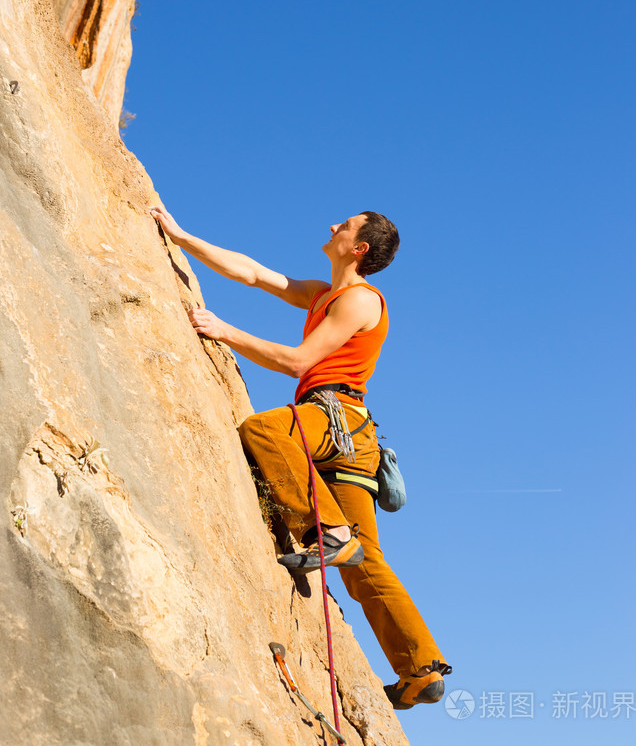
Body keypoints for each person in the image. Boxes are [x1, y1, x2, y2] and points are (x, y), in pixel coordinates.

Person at [150, 206, 452, 709]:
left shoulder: (359, 300)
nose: (333, 225)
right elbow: (253, 273)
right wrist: (182, 237)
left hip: (335, 418)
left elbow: (297, 361)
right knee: (363, 560)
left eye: (347, 225)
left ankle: (327, 532)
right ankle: (420, 668)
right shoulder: (323, 294)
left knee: (265, 430)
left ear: (359, 248)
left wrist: (225, 331)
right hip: (353, 441)